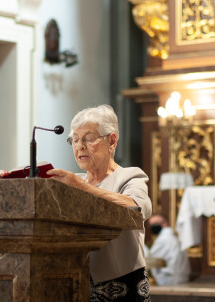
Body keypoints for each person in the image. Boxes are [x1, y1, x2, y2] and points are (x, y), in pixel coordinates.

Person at [47, 105, 152, 302]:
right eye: (75, 140)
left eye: (88, 138)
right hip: (75, 280)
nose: (80, 147)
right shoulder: (74, 181)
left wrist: (82, 187)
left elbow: (137, 209)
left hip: (123, 285)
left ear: (112, 140)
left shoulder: (130, 176)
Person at [146, 214, 190, 285]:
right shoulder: (173, 237)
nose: (152, 227)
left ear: (165, 224)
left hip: (168, 279)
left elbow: (151, 260)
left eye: (155, 224)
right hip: (179, 279)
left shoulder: (164, 239)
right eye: (151, 225)